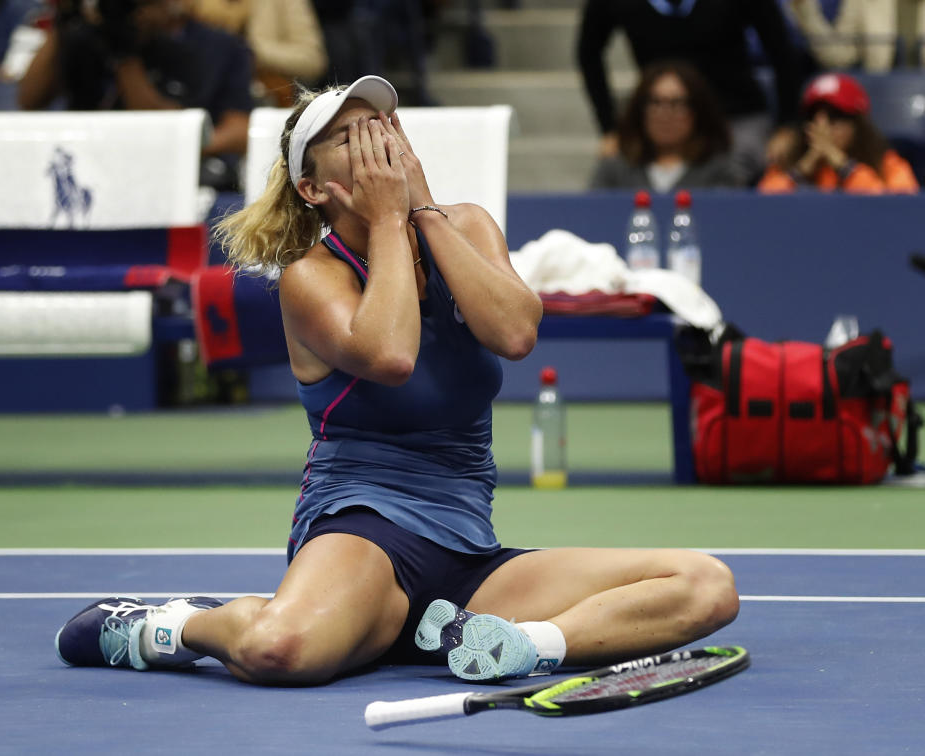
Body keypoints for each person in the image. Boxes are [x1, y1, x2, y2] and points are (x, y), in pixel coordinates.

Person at [54, 75, 740, 686]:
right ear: (311, 187)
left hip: (470, 559)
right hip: (361, 531)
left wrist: (424, 212)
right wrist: (388, 218)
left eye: (381, 125)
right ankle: (173, 626)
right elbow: (389, 354)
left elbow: (516, 333)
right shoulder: (308, 276)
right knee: (280, 650)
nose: (374, 141)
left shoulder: (465, 224)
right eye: (347, 136)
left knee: (703, 584)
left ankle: (511, 646)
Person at [17, 0, 253, 189]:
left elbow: (160, 130)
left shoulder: (204, 48)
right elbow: (29, 99)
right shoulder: (84, 38)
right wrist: (63, 21)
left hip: (161, 175)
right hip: (86, 168)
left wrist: (124, 54)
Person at [577, 0, 804, 186]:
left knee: (734, 168)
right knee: (617, 165)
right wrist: (609, 127)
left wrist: (787, 124)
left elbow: (781, 49)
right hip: (660, 114)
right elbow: (588, 52)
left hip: (735, 114)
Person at [758, 71, 919, 193]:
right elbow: (764, 205)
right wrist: (802, 168)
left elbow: (896, 209)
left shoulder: (885, 163)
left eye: (834, 117)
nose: (822, 127)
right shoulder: (789, 159)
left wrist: (842, 164)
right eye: (813, 118)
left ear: (857, 125)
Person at [592, 59, 739, 191]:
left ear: (698, 110)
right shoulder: (614, 170)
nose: (665, 114)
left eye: (677, 103)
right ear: (639, 110)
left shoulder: (721, 171)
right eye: (655, 103)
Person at [188, 0, 327, 107]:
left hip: (267, 99)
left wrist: (250, 50)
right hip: (205, 97)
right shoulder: (194, 7)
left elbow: (313, 60)